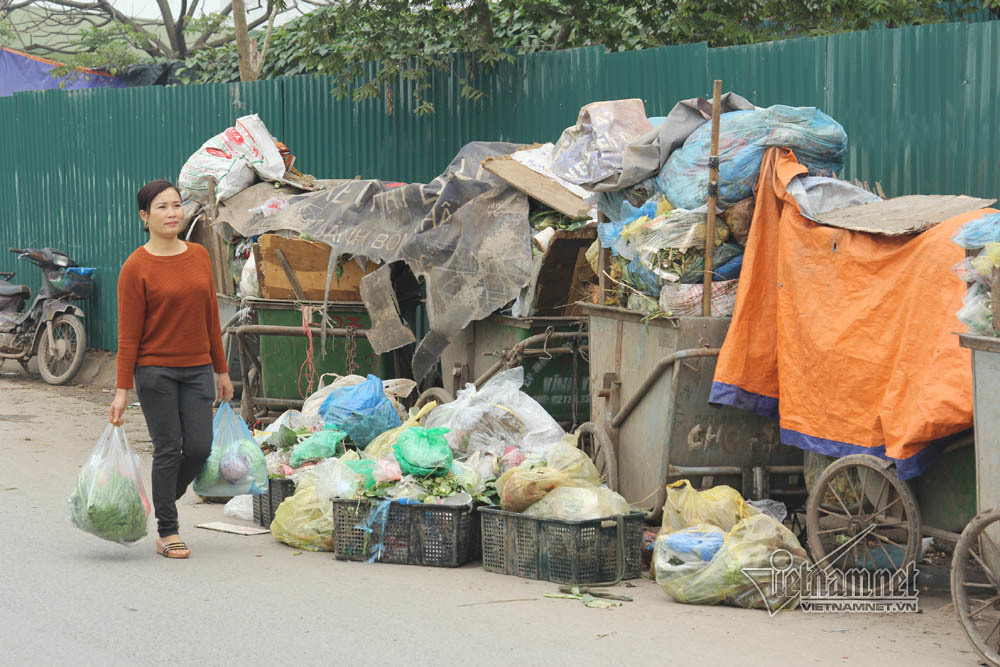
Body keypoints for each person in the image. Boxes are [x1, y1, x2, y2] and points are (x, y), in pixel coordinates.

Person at [108, 179, 234, 559]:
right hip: (155, 372)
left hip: (197, 369)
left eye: (176, 205)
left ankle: (162, 498)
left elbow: (211, 317)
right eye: (162, 207)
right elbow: (128, 335)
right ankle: (168, 529)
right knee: (167, 448)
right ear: (144, 217)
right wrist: (121, 389)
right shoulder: (136, 267)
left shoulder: (198, 256)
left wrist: (221, 369)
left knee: (198, 447)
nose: (172, 213)